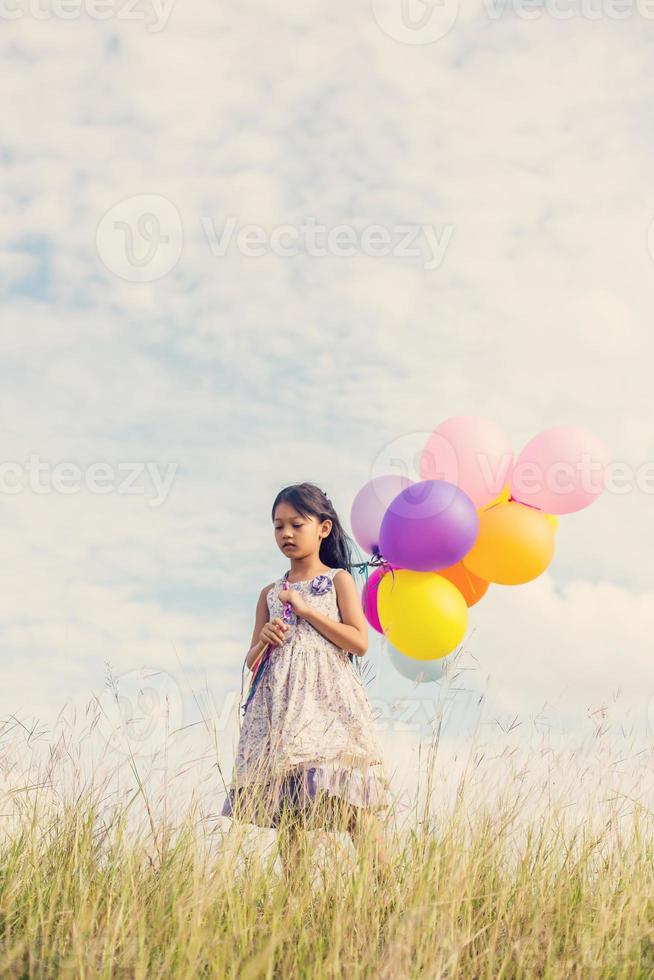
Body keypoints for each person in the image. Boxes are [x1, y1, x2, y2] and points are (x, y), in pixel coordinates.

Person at [221, 482, 394, 882]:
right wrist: (263, 643)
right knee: (291, 809)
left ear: (323, 528)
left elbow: (358, 641)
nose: (286, 533)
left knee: (351, 803)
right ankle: (298, 901)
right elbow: (251, 662)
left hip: (328, 704)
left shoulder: (337, 582)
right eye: (278, 526)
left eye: (297, 524)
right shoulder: (269, 592)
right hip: (282, 708)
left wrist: (306, 611)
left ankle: (388, 894)